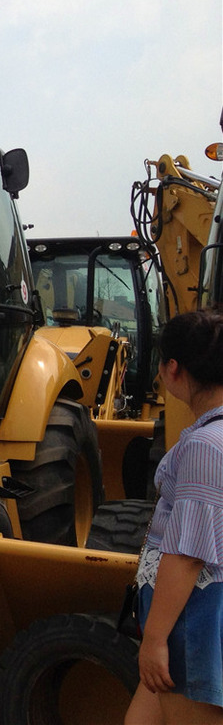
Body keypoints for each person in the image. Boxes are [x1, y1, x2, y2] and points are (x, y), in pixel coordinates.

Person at [126, 308, 223, 724]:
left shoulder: (205, 445)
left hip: (191, 616)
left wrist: (155, 638)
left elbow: (187, 553)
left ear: (172, 368)